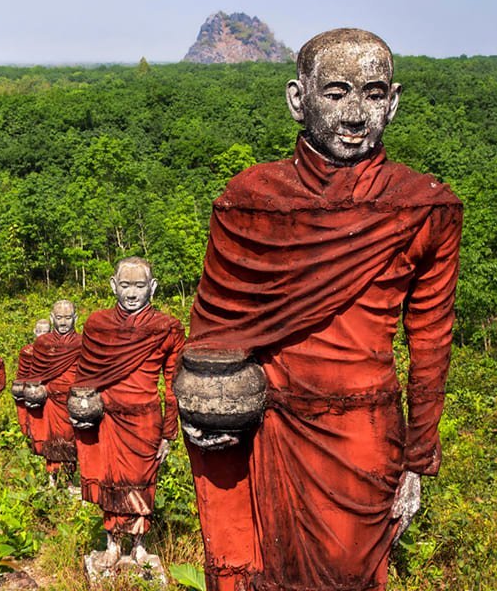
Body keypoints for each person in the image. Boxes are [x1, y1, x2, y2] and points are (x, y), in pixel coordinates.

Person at [183, 29, 462, 591]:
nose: (356, 113)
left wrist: (417, 456)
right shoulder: (250, 200)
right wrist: (198, 407)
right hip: (265, 426)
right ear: (297, 98)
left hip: (364, 435)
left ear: (395, 100)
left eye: (374, 93)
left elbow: (430, 342)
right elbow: (212, 331)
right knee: (260, 570)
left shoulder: (425, 205)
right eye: (335, 93)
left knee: (348, 579)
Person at [73, 256, 185, 570]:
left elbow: (174, 381)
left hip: (145, 418)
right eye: (125, 285)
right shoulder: (98, 324)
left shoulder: (166, 327)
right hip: (107, 417)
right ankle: (112, 544)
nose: (132, 293)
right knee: (110, 481)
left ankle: (139, 545)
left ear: (153, 287)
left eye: (139, 286)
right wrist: (79, 411)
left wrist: (168, 431)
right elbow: (84, 375)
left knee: (142, 481)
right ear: (113, 286)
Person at [27, 301, 81, 484]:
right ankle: (52, 478)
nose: (63, 322)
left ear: (75, 318)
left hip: (72, 402)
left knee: (71, 439)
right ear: (52, 318)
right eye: (59, 318)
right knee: (52, 438)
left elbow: (88, 373)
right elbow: (35, 373)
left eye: (67, 318)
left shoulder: (81, 343)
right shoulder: (43, 343)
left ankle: (69, 479)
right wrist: (35, 390)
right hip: (50, 400)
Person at [13, 319, 51, 441]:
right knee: (33, 421)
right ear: (34, 332)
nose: (43, 335)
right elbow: (22, 374)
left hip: (50, 391)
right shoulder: (27, 351)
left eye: (46, 332)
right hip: (32, 390)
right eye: (40, 331)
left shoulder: (55, 351)